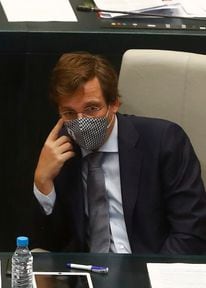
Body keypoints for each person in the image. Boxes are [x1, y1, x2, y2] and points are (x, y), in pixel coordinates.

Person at [33, 51, 206, 254]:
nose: (81, 122)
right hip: (87, 277)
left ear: (114, 103)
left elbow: (191, 233)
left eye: (91, 108)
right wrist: (43, 182)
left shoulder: (165, 141)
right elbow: (53, 246)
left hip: (153, 273)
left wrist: (148, 279)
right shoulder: (60, 152)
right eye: (70, 113)